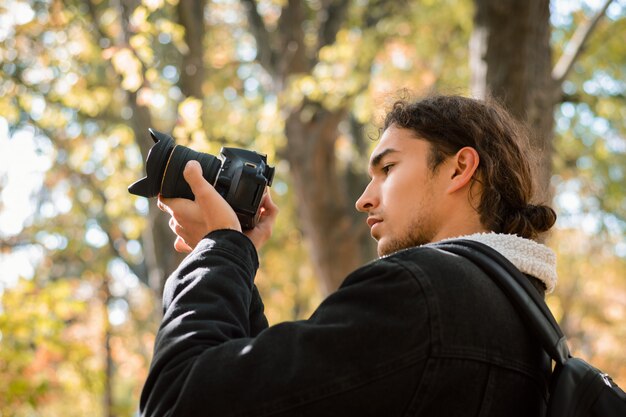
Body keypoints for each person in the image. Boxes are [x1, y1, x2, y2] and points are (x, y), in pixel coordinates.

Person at [140, 94, 558, 416]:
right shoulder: (523, 322)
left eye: (388, 169)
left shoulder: (420, 294)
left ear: (459, 168)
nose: (363, 200)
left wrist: (219, 249)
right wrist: (235, 256)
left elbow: (178, 401)